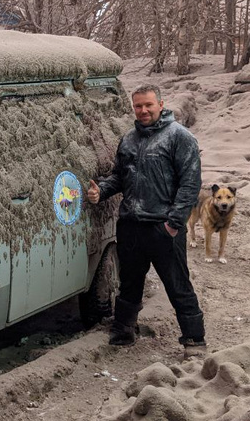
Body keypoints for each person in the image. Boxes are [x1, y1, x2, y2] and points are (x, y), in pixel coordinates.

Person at [86, 84, 206, 357]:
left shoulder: (180, 137)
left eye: (148, 105)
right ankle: (124, 331)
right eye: (138, 106)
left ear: (160, 104)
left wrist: (173, 224)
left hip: (163, 227)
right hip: (130, 225)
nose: (143, 111)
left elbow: (190, 185)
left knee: (177, 284)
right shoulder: (128, 139)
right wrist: (100, 191)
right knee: (129, 282)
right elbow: (119, 176)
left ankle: (194, 341)